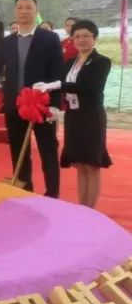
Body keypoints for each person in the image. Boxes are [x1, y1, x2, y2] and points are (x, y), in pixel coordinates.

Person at [0, 0, 64, 196]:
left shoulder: (49, 38)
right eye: (20, 7)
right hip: (15, 106)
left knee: (47, 150)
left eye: (28, 7)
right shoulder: (7, 42)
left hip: (42, 105)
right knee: (18, 151)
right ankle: (25, 191)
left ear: (36, 11)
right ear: (15, 11)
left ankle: (52, 194)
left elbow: (57, 72)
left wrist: (55, 104)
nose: (24, 11)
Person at [59, 19, 111, 208]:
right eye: (77, 36)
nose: (81, 40)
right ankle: (82, 207)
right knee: (79, 164)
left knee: (91, 164)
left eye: (86, 36)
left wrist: (59, 85)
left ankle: (91, 210)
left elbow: (89, 87)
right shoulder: (69, 63)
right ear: (72, 39)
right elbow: (62, 86)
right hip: (73, 117)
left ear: (94, 38)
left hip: (91, 117)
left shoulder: (101, 62)